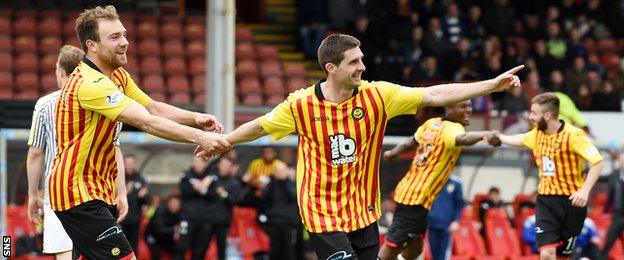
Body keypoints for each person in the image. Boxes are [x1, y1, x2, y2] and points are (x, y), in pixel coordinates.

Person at [201, 33, 523, 260]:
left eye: (362, 59)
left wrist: (492, 84)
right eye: (354, 61)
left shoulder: (378, 96)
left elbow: (434, 95)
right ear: (331, 67)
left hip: (363, 211)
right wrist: (225, 141)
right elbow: (260, 125)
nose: (362, 67)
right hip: (322, 212)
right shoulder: (300, 104)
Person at [50, 6, 231, 260]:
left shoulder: (118, 75)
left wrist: (196, 118)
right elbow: (147, 122)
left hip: (98, 189)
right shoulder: (90, 84)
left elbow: (153, 107)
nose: (125, 42)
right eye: (114, 37)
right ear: (92, 45)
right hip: (76, 192)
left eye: (123, 35)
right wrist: (200, 137)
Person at [379, 100, 500, 260]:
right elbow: (463, 138)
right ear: (449, 108)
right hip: (415, 199)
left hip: (413, 196)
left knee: (415, 250)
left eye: (470, 106)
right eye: (463, 106)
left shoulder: (431, 124)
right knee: (392, 247)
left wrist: (392, 153)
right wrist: (485, 135)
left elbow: (411, 142)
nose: (469, 110)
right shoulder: (454, 129)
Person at [495, 92, 604, 259]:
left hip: (572, 202)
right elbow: (521, 139)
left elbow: (597, 162)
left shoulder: (574, 135)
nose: (530, 117)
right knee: (546, 252)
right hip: (546, 201)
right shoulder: (536, 134)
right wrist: (499, 137)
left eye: (533, 113)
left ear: (547, 115)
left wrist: (584, 191)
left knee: (562, 256)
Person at [25, 45, 86, 260]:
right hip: (95, 193)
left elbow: (35, 153)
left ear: (61, 71)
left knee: (65, 255)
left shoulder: (45, 104)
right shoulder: (100, 101)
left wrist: (33, 194)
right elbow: (114, 149)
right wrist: (121, 192)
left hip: (59, 193)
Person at [259, 162, 303, 260]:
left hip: (289, 223)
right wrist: (271, 182)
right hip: (274, 222)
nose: (280, 173)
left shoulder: (292, 183)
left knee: (289, 248)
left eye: (282, 170)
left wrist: (284, 181)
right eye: (278, 171)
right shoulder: (271, 184)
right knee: (274, 249)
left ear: (286, 171)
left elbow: (294, 197)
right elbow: (263, 199)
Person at [204, 156, 242, 260]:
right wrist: (204, 188)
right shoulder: (211, 178)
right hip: (208, 219)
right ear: (218, 165)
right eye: (222, 164)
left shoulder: (234, 183)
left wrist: (224, 194)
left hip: (223, 221)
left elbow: (235, 201)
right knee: (202, 247)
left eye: (227, 165)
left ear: (230, 167)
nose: (224, 167)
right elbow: (205, 196)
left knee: (222, 248)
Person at [177, 156, 213, 260]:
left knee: (200, 248)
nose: (197, 164)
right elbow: (185, 191)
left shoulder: (211, 176)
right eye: (195, 162)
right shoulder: (186, 175)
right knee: (182, 246)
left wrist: (201, 189)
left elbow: (213, 194)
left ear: (205, 164)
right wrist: (202, 187)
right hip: (188, 216)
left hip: (203, 218)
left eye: (200, 162)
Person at [523, 215, 600, 259]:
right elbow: (526, 237)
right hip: (543, 245)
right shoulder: (531, 220)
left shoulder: (588, 221)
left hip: (579, 246)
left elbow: (595, 238)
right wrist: (546, 240)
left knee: (594, 247)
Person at [427, 176, 464, 260]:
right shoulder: (431, 181)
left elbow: (459, 204)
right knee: (433, 252)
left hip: (447, 225)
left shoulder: (456, 183)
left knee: (443, 253)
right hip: (432, 223)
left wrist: (456, 220)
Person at [120, 154, 150, 254]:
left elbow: (146, 201)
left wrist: (144, 196)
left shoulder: (140, 179)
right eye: (127, 163)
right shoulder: (119, 178)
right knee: (121, 246)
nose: (129, 166)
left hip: (135, 219)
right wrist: (124, 191)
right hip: (120, 219)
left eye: (131, 163)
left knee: (133, 246)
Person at [599, 152, 624, 259]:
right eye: (622, 160)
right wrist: (587, 173)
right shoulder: (615, 174)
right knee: (609, 239)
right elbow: (602, 178)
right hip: (618, 214)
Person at [144, 194, 181, 260]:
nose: (174, 206)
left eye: (176, 205)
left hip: (167, 237)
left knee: (178, 250)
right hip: (153, 236)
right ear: (168, 204)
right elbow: (158, 230)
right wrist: (174, 230)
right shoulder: (160, 211)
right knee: (156, 253)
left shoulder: (180, 213)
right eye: (172, 204)